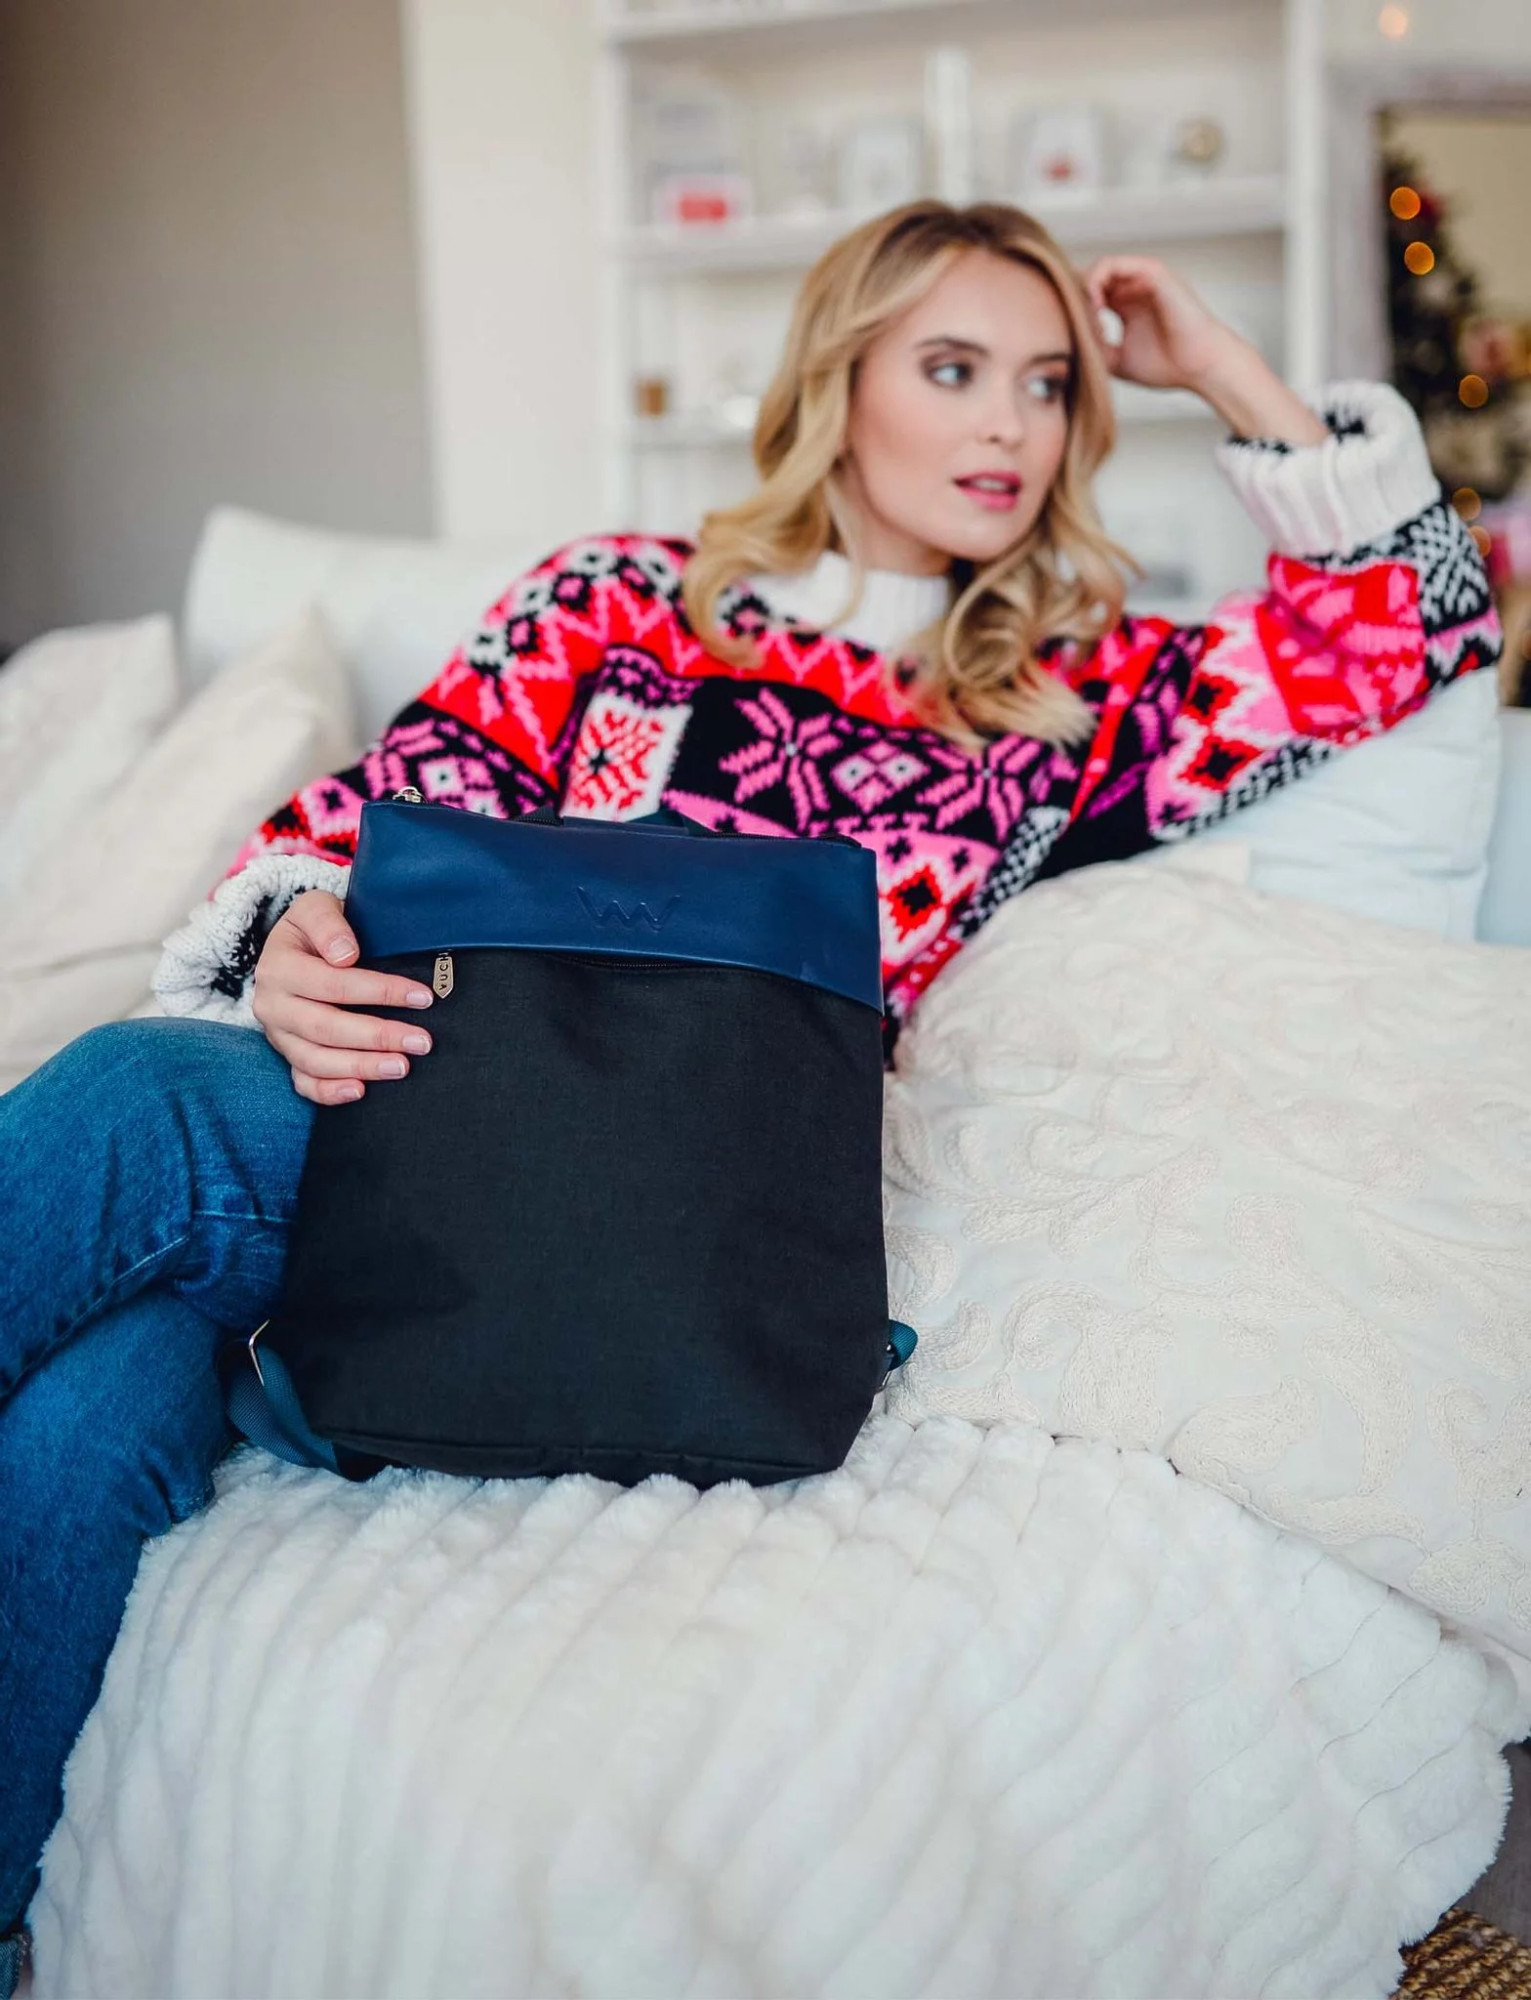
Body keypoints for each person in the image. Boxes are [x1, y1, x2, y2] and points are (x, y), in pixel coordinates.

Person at [0, 198, 1502, 1989]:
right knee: (92, 1400)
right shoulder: (616, 602)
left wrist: (1218, 367)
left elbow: (1420, 618)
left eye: (1049, 384)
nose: (1011, 427)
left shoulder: (1058, 703)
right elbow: (368, 822)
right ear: (839, 382)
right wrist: (288, 945)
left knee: (139, 1095)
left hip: (693, 1197)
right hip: (433, 1115)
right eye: (954, 370)